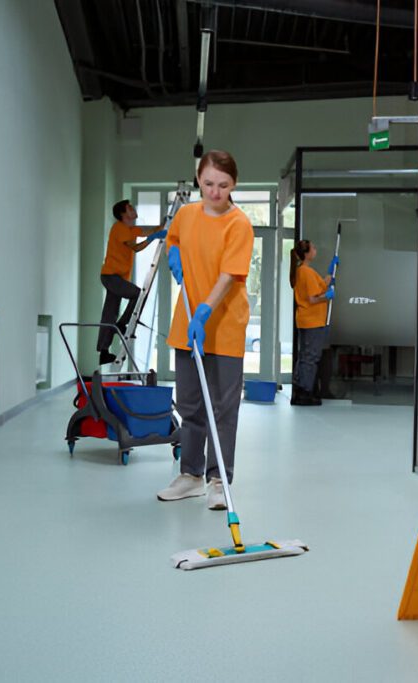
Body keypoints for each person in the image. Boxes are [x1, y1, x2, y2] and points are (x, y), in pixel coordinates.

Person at [157, 150, 254, 509]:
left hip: (223, 322)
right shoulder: (185, 214)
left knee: (223, 407)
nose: (215, 192)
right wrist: (173, 254)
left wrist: (204, 312)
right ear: (199, 178)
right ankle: (191, 476)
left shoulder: (239, 224)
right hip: (188, 322)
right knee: (189, 403)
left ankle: (218, 480)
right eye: (209, 183)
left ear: (234, 185)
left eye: (223, 185)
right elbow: (175, 240)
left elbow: (229, 276)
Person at [96, 200, 166, 365]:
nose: (133, 209)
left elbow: (149, 229)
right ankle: (122, 324)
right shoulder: (120, 228)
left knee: (109, 314)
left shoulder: (129, 229)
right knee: (138, 294)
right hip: (111, 276)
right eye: (130, 208)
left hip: (116, 277)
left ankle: (103, 352)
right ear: (123, 214)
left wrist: (163, 224)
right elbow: (136, 247)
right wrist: (153, 238)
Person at [289, 240, 336, 406]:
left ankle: (301, 389)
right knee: (311, 357)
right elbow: (312, 298)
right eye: (313, 248)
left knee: (305, 356)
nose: (316, 249)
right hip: (312, 321)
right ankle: (305, 392)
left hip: (307, 320)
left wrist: (329, 275)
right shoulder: (305, 272)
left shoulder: (303, 271)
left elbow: (319, 287)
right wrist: (327, 297)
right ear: (307, 253)